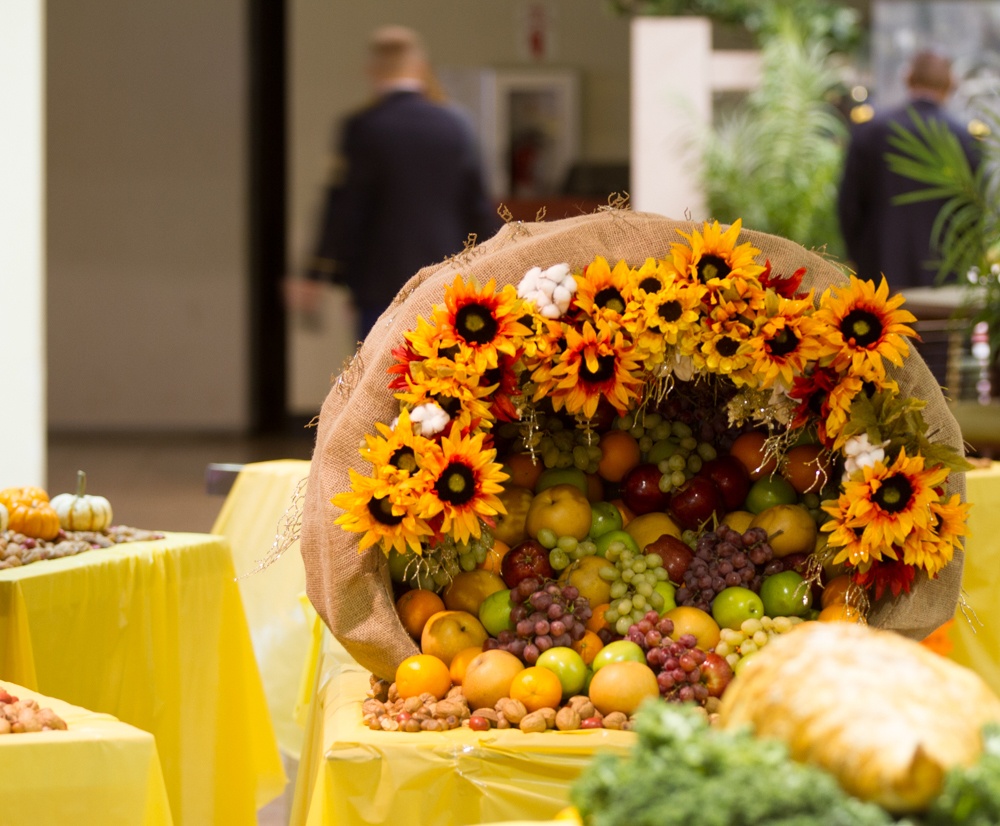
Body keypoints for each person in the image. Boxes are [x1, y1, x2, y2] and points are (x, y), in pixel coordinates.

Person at [289, 26, 501, 340]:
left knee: (380, 379)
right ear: (418, 68)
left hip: (379, 285)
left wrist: (318, 273)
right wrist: (495, 271)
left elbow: (346, 210)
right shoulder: (455, 125)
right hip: (444, 281)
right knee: (444, 377)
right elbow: (478, 208)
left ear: (372, 70)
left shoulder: (365, 128)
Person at [837, 49, 979, 291]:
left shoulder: (871, 131)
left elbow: (848, 206)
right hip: (944, 284)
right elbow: (974, 216)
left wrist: (860, 258)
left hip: (880, 277)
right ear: (950, 84)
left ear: (908, 78)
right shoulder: (964, 138)